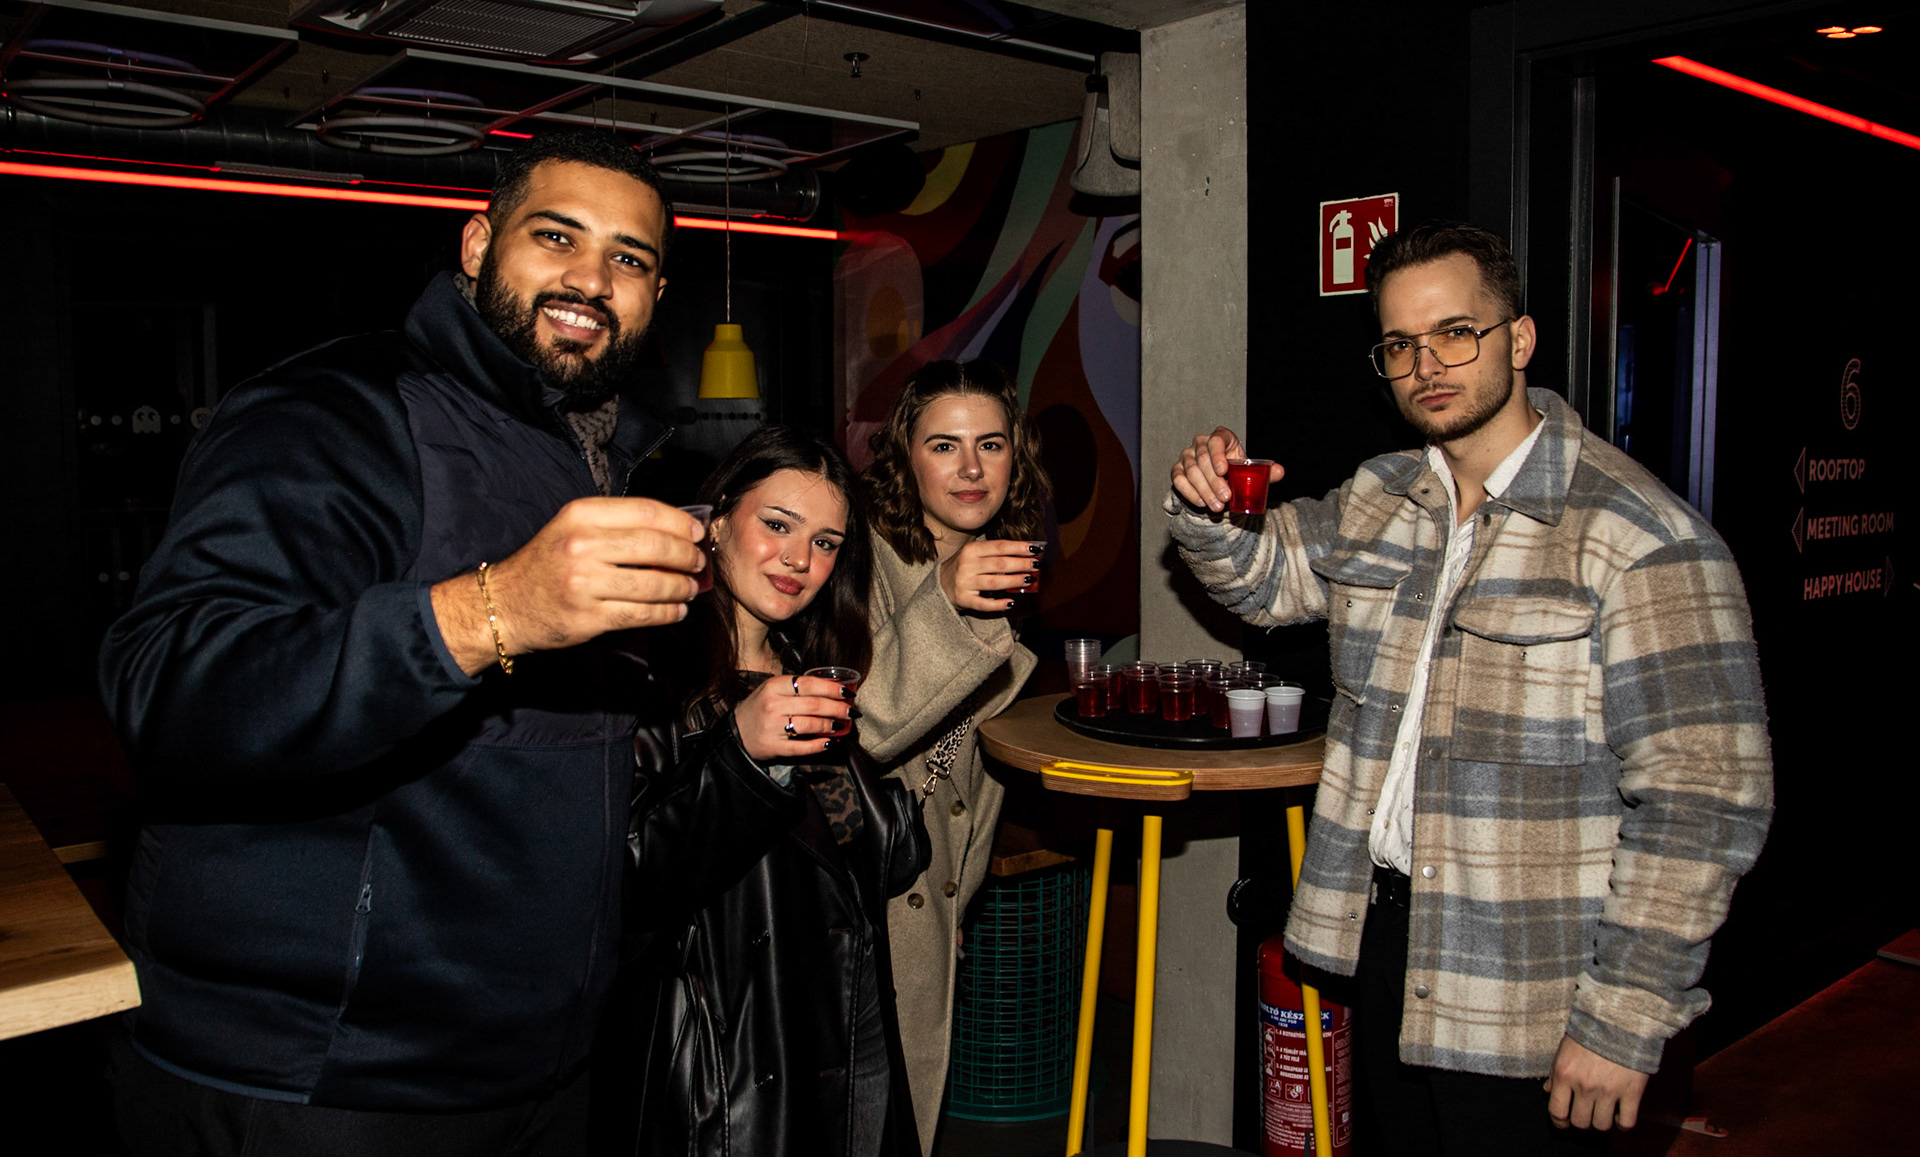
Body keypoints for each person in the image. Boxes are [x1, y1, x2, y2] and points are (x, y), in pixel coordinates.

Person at [97, 129, 703, 1155]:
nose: (591, 279)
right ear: (477, 244)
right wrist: (487, 612)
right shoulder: (338, 410)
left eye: (629, 258)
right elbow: (170, 688)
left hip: (539, 1065)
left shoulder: (603, 453)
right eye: (556, 236)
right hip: (323, 1079)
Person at [1167, 221, 1772, 1154]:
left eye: (1456, 332)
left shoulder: (1644, 537)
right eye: (1400, 344)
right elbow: (1267, 577)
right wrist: (1208, 508)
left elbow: (1704, 802)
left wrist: (1623, 1016)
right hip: (1385, 942)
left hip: (1532, 984)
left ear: (1518, 339)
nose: (1426, 366)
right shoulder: (1381, 497)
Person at [613, 426, 927, 1157]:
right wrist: (741, 751)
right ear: (718, 520)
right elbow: (625, 875)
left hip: (840, 1019)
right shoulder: (648, 670)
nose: (799, 559)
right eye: (778, 525)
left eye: (825, 542)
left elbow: (870, 852)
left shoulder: (806, 666)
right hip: (727, 1058)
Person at [854, 359, 1049, 1149]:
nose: (971, 468)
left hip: (925, 903)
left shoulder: (997, 562)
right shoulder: (855, 560)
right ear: (905, 457)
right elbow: (860, 728)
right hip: (858, 909)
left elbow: (965, 765)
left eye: (990, 445)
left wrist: (954, 899)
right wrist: (944, 602)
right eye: (944, 445)